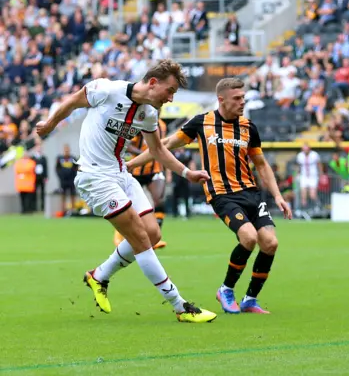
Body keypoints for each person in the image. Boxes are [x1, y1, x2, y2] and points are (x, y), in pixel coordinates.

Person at [36, 59, 217, 323]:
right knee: (141, 239)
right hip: (95, 177)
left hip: (121, 174)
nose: (170, 98)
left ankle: (98, 276)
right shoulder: (106, 90)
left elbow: (157, 151)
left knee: (153, 234)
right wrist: (51, 124)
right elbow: (74, 101)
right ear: (153, 83)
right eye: (170, 91)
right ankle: (181, 307)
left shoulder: (149, 114)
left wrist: (187, 173)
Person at [127, 77, 293, 315]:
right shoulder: (202, 122)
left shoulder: (248, 127)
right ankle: (226, 289)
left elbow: (262, 164)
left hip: (251, 194)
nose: (242, 102)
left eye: (243, 98)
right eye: (237, 98)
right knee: (248, 238)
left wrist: (277, 196)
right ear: (221, 99)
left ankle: (250, 299)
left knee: (270, 243)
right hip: (222, 194)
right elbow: (164, 146)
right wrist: (132, 164)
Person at [113, 118, 169, 250]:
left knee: (159, 200)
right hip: (136, 170)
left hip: (155, 170)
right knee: (127, 204)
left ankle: (153, 239)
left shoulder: (162, 125)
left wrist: (166, 169)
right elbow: (128, 145)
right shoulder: (141, 124)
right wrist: (145, 154)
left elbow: (162, 148)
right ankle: (120, 235)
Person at [295, 143, 321, 211]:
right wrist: (297, 174)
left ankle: (318, 206)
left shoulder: (314, 155)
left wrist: (321, 174)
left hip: (313, 176)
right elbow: (299, 166)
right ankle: (303, 210)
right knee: (303, 194)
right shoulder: (300, 155)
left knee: (312, 195)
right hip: (304, 176)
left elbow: (319, 164)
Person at [55, 144, 79, 215]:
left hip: (71, 181)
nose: (66, 151)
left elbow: (76, 168)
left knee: (72, 196)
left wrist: (74, 177)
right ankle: (63, 211)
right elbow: (57, 169)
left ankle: (73, 211)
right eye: (65, 150)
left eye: (67, 149)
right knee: (63, 196)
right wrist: (61, 177)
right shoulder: (59, 158)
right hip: (63, 181)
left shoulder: (73, 158)